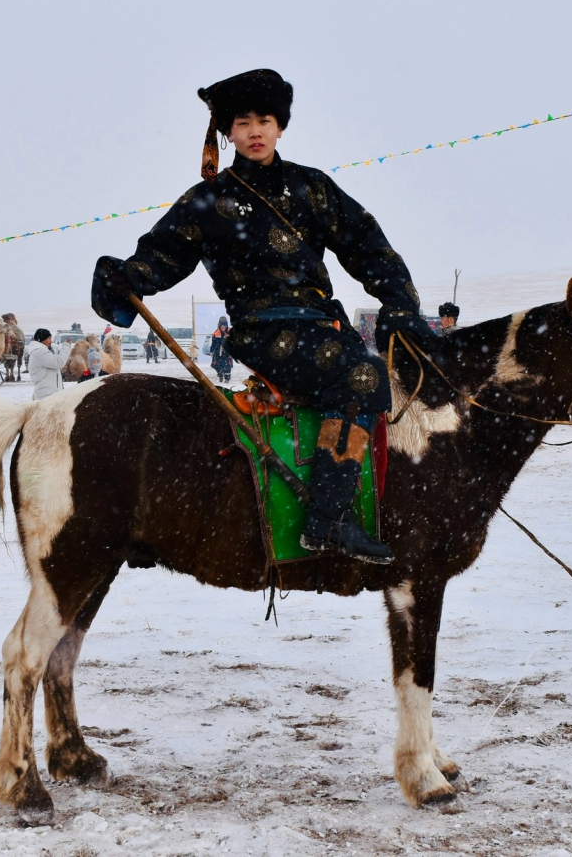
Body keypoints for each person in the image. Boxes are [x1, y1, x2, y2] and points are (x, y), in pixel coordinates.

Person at [92, 68, 432, 564]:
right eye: (243, 122)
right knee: (362, 375)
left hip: (323, 326)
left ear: (280, 127)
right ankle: (329, 522)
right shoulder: (206, 201)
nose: (254, 131)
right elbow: (162, 256)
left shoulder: (313, 189)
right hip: (263, 330)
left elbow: (368, 247)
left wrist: (401, 303)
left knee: (372, 370)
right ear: (227, 133)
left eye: (265, 120)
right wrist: (127, 277)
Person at [27, 329, 63, 400]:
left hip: (47, 394)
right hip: (46, 395)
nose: (51, 341)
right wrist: (66, 347)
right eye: (49, 339)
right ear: (43, 339)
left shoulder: (40, 352)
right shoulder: (41, 352)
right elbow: (58, 363)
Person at [208, 316, 234, 383]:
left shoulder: (230, 333)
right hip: (217, 353)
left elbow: (233, 343)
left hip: (227, 353)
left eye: (224, 326)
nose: (223, 327)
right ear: (219, 326)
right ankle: (220, 375)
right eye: (222, 326)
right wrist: (211, 351)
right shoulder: (216, 333)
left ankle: (227, 380)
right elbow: (213, 343)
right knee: (216, 365)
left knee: (227, 367)